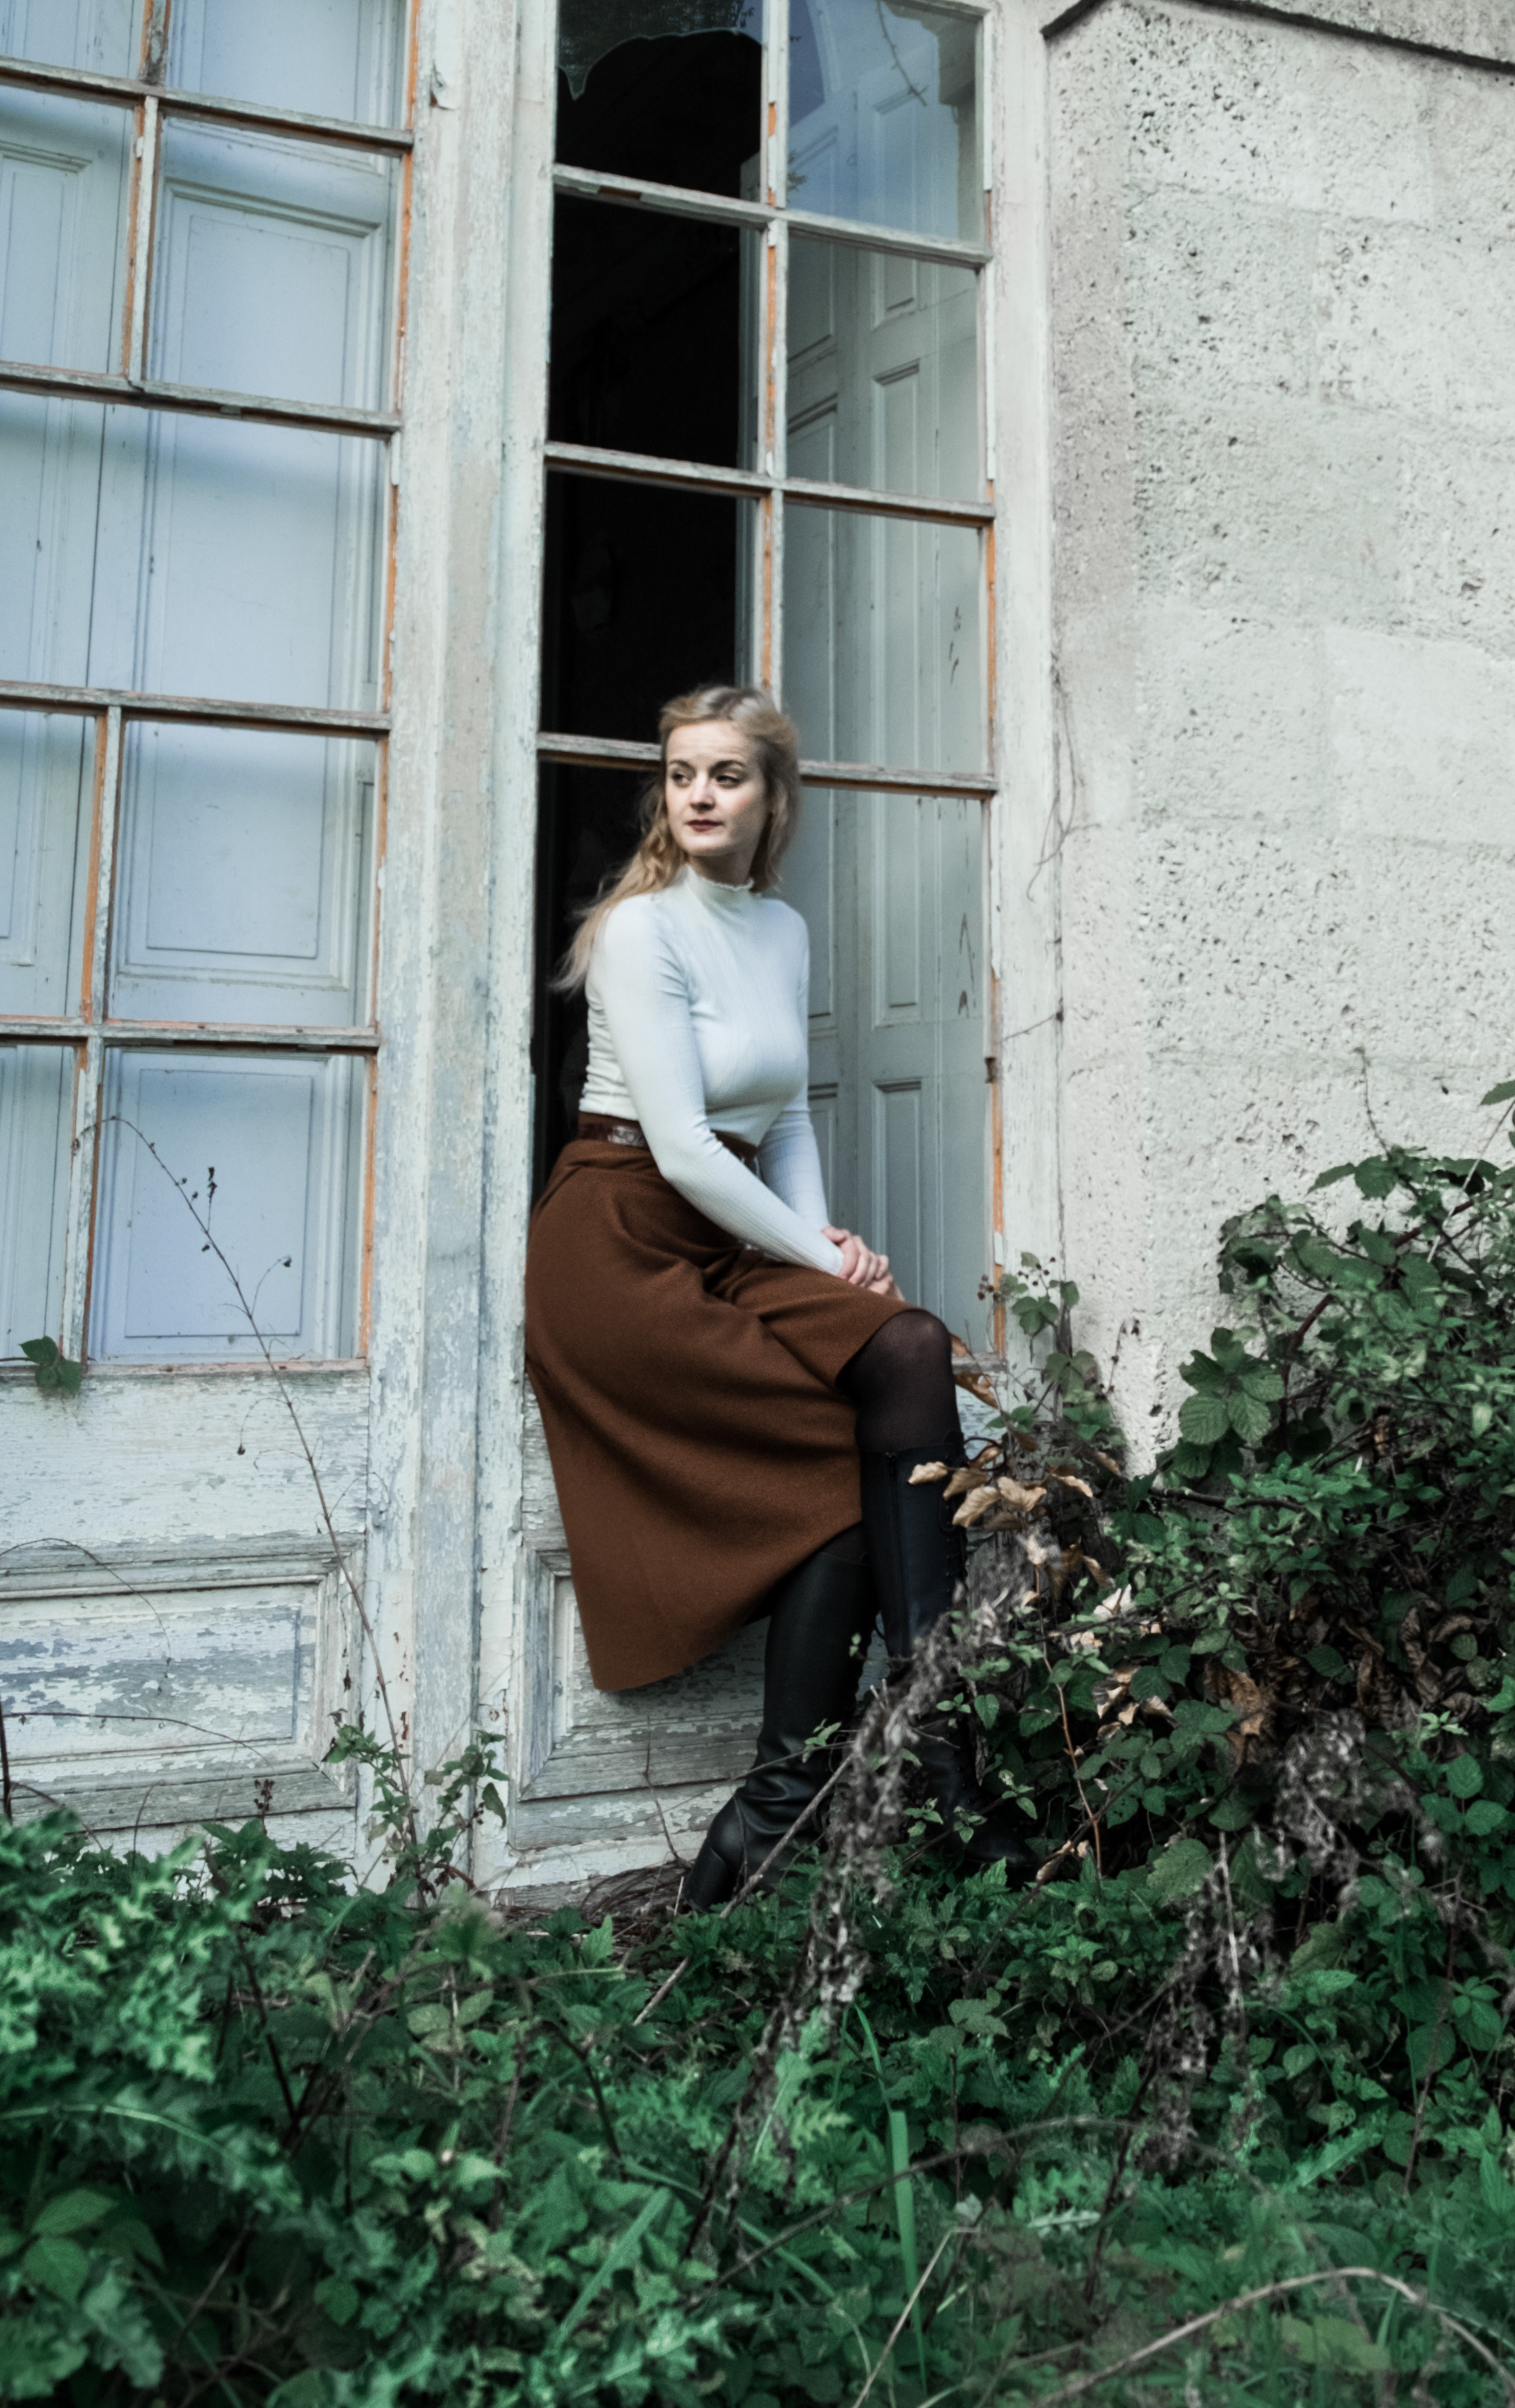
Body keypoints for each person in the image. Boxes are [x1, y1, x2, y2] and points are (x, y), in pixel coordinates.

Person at [523, 684, 1037, 1905]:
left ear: (773, 798)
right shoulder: (641, 930)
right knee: (859, 1458)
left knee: (906, 1346)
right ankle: (819, 1793)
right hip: (618, 1237)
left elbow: (787, 1115)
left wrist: (821, 1249)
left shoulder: (781, 930)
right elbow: (684, 1147)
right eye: (680, 775)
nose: (698, 795)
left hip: (728, 1227)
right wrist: (818, 1255)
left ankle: (911, 1751)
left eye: (726, 775)